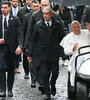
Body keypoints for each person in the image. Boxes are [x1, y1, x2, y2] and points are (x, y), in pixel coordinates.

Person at [24, 0, 67, 93]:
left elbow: (62, 32)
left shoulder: (56, 17)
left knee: (55, 72)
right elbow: (30, 33)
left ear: (50, 7)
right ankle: (45, 89)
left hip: (53, 51)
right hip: (40, 49)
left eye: (45, 5)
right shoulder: (35, 17)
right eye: (42, 5)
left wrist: (66, 46)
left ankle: (51, 84)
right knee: (42, 71)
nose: (43, 7)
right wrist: (28, 49)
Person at [0, 1, 23, 97]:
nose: (3, 9)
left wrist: (19, 46)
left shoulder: (15, 19)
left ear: (9, 8)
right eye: (2, 7)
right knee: (0, 68)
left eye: (5, 7)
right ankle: (2, 89)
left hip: (12, 48)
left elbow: (20, 34)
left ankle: (10, 89)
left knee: (10, 69)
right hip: (1, 48)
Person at [60, 20, 90, 87]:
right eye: (74, 27)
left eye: (78, 27)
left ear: (80, 27)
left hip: (88, 53)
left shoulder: (86, 33)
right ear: (71, 28)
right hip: (77, 55)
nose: (77, 29)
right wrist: (72, 48)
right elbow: (66, 51)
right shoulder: (68, 37)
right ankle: (78, 76)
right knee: (79, 59)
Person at [23, 0, 40, 87]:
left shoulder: (43, 15)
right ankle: (33, 79)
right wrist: (25, 45)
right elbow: (26, 31)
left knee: (40, 62)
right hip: (31, 43)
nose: (36, 8)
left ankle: (40, 79)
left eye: (38, 6)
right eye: (35, 6)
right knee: (32, 62)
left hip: (41, 42)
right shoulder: (27, 17)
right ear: (31, 7)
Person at [17, 0, 33, 79]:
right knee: (25, 56)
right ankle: (26, 72)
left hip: (35, 37)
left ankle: (34, 74)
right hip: (25, 36)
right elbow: (19, 25)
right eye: (28, 0)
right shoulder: (21, 11)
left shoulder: (37, 12)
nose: (29, 1)